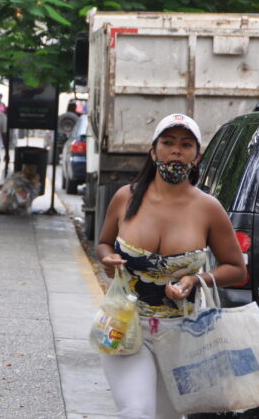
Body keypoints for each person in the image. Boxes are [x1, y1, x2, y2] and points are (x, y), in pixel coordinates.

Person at [96, 113, 246, 419]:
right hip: (125, 326)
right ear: (153, 151)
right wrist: (107, 259)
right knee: (137, 411)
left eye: (185, 144)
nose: (176, 151)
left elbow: (237, 268)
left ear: (196, 155)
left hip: (182, 334)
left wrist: (197, 279)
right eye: (168, 143)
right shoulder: (126, 197)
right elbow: (103, 243)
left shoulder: (208, 208)